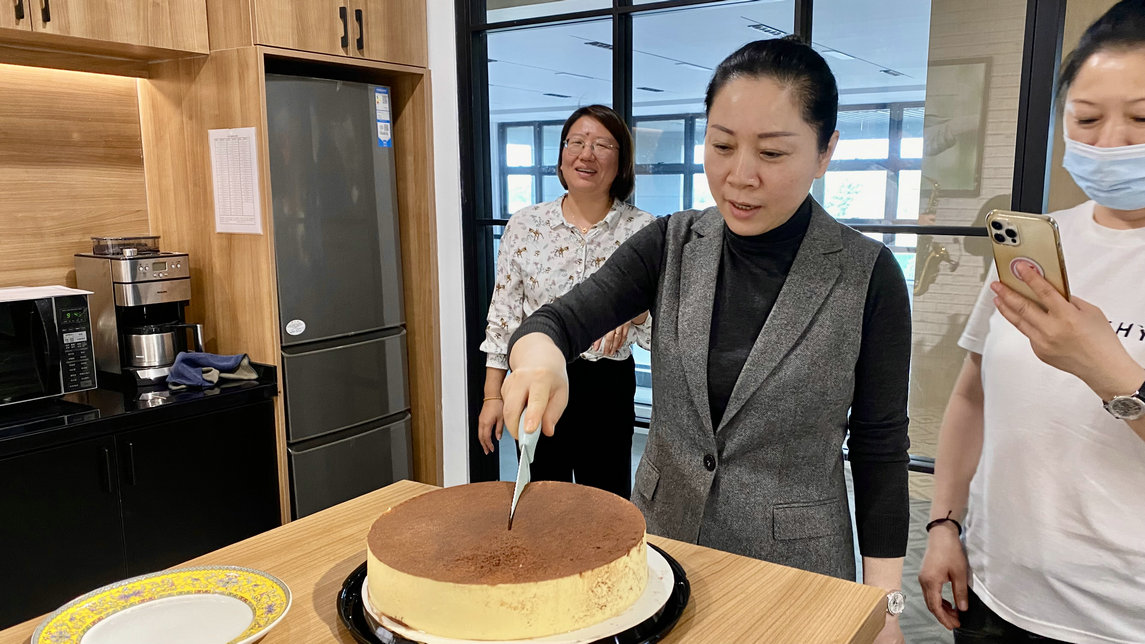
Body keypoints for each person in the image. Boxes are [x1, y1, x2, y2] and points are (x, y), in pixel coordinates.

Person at [501, 38, 910, 644]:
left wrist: (886, 606)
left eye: (771, 152)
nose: (740, 175)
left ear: (826, 152)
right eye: (721, 145)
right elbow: (559, 319)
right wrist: (539, 355)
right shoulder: (670, 243)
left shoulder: (867, 274)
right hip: (665, 550)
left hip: (794, 570)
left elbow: (880, 446)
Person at [918, 2, 1145, 641]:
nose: (1110, 143)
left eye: (1142, 118)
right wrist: (943, 524)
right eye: (1087, 119)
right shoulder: (1037, 244)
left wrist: (1110, 373)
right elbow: (972, 395)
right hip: (993, 596)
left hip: (1120, 622)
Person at [477, 104, 654, 499]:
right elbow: (503, 316)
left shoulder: (643, 230)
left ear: (621, 162)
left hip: (607, 385)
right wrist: (492, 395)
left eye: (602, 145)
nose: (586, 154)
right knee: (541, 497)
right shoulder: (526, 225)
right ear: (561, 156)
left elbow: (661, 325)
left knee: (605, 501)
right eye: (576, 142)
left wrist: (634, 312)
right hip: (536, 378)